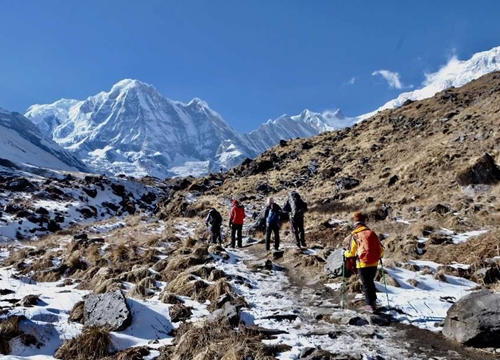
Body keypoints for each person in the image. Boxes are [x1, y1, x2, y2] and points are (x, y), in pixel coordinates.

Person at [343, 212, 384, 313]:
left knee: (365, 284)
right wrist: (379, 257)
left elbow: (351, 252)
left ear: (355, 224)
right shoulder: (371, 233)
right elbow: (381, 249)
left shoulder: (356, 234)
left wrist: (344, 253)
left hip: (362, 263)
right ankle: (373, 302)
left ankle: (369, 305)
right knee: (370, 282)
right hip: (374, 262)